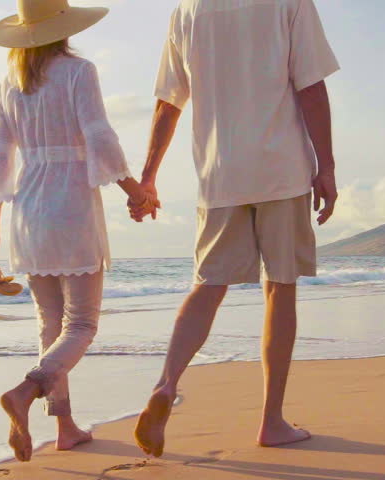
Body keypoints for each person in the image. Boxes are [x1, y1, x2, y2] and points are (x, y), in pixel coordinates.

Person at [130, 0, 340, 457]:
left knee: (208, 286)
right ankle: (271, 421)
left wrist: (148, 177)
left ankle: (166, 384)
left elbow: (168, 102)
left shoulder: (188, 10)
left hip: (219, 174)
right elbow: (311, 86)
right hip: (281, 170)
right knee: (280, 288)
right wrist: (326, 166)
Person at [0, 0, 156, 462]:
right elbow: (99, 135)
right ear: (63, 27)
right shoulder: (78, 71)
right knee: (80, 324)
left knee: (50, 323)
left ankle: (65, 427)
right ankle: (27, 390)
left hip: (27, 210)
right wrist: (136, 192)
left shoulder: (7, 86)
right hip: (71, 205)